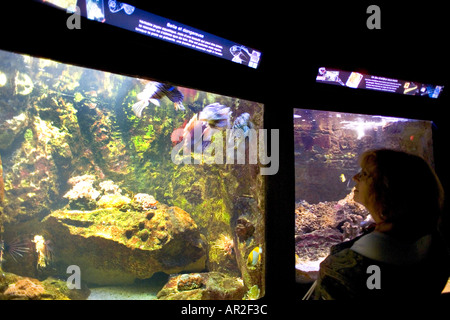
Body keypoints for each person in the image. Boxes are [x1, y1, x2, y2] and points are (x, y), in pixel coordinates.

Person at [312, 149, 450, 299]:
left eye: (364, 174)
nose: (355, 177)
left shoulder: (340, 272)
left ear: (387, 191)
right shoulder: (437, 246)